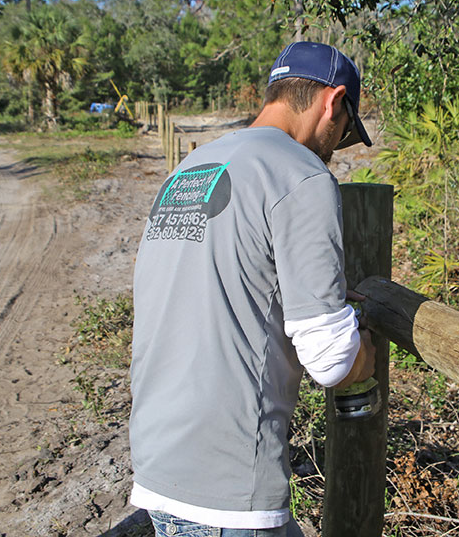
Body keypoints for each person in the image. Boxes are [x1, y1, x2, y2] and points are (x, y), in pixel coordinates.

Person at [129, 41, 376, 537]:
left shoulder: (193, 168)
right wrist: (365, 357)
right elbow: (329, 359)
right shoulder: (301, 174)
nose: (335, 145)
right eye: (344, 130)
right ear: (333, 101)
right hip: (231, 494)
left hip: (157, 471)